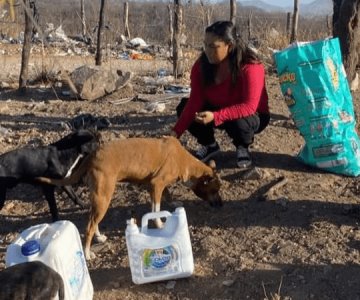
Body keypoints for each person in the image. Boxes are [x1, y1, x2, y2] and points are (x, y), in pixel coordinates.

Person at [170, 20, 270, 169]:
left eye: (213, 46)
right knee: (184, 107)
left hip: (252, 115)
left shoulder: (250, 66)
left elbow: (249, 107)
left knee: (238, 121)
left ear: (229, 46)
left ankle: (242, 146)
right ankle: (209, 145)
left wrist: (216, 116)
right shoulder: (201, 66)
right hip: (217, 110)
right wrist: (174, 133)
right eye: (205, 45)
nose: (208, 51)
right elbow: (194, 101)